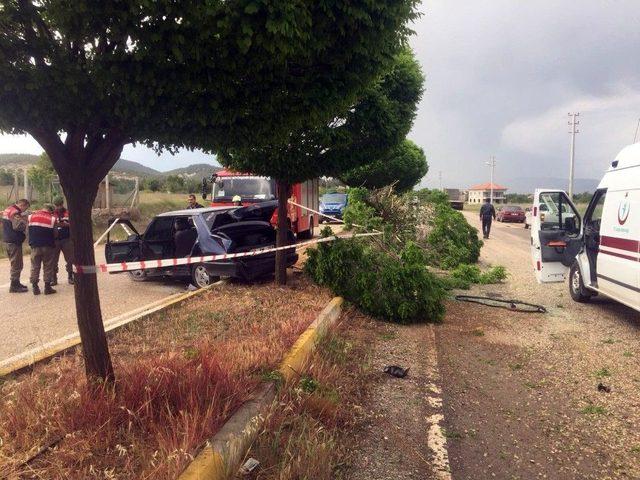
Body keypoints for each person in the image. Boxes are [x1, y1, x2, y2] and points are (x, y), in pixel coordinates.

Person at [28, 204, 57, 295]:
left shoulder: (31, 217)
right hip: (48, 246)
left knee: (35, 266)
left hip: (35, 246)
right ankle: (47, 287)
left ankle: (35, 287)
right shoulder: (52, 219)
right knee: (48, 266)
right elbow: (55, 234)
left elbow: (27, 231)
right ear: (51, 211)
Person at [2, 198, 30, 293]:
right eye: (25, 209)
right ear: (23, 205)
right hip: (14, 241)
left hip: (8, 239)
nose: (24, 211)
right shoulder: (15, 212)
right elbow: (17, 226)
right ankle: (14, 285)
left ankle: (16, 283)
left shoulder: (8, 209)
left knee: (14, 263)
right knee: (16, 264)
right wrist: (26, 222)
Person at [52, 197, 74, 285]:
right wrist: (61, 224)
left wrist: (63, 224)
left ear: (62, 204)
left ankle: (70, 276)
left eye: (60, 205)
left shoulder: (68, 212)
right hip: (55, 240)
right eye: (56, 205)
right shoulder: (51, 213)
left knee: (70, 259)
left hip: (67, 239)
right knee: (53, 260)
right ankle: (53, 278)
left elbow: (73, 224)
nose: (58, 207)